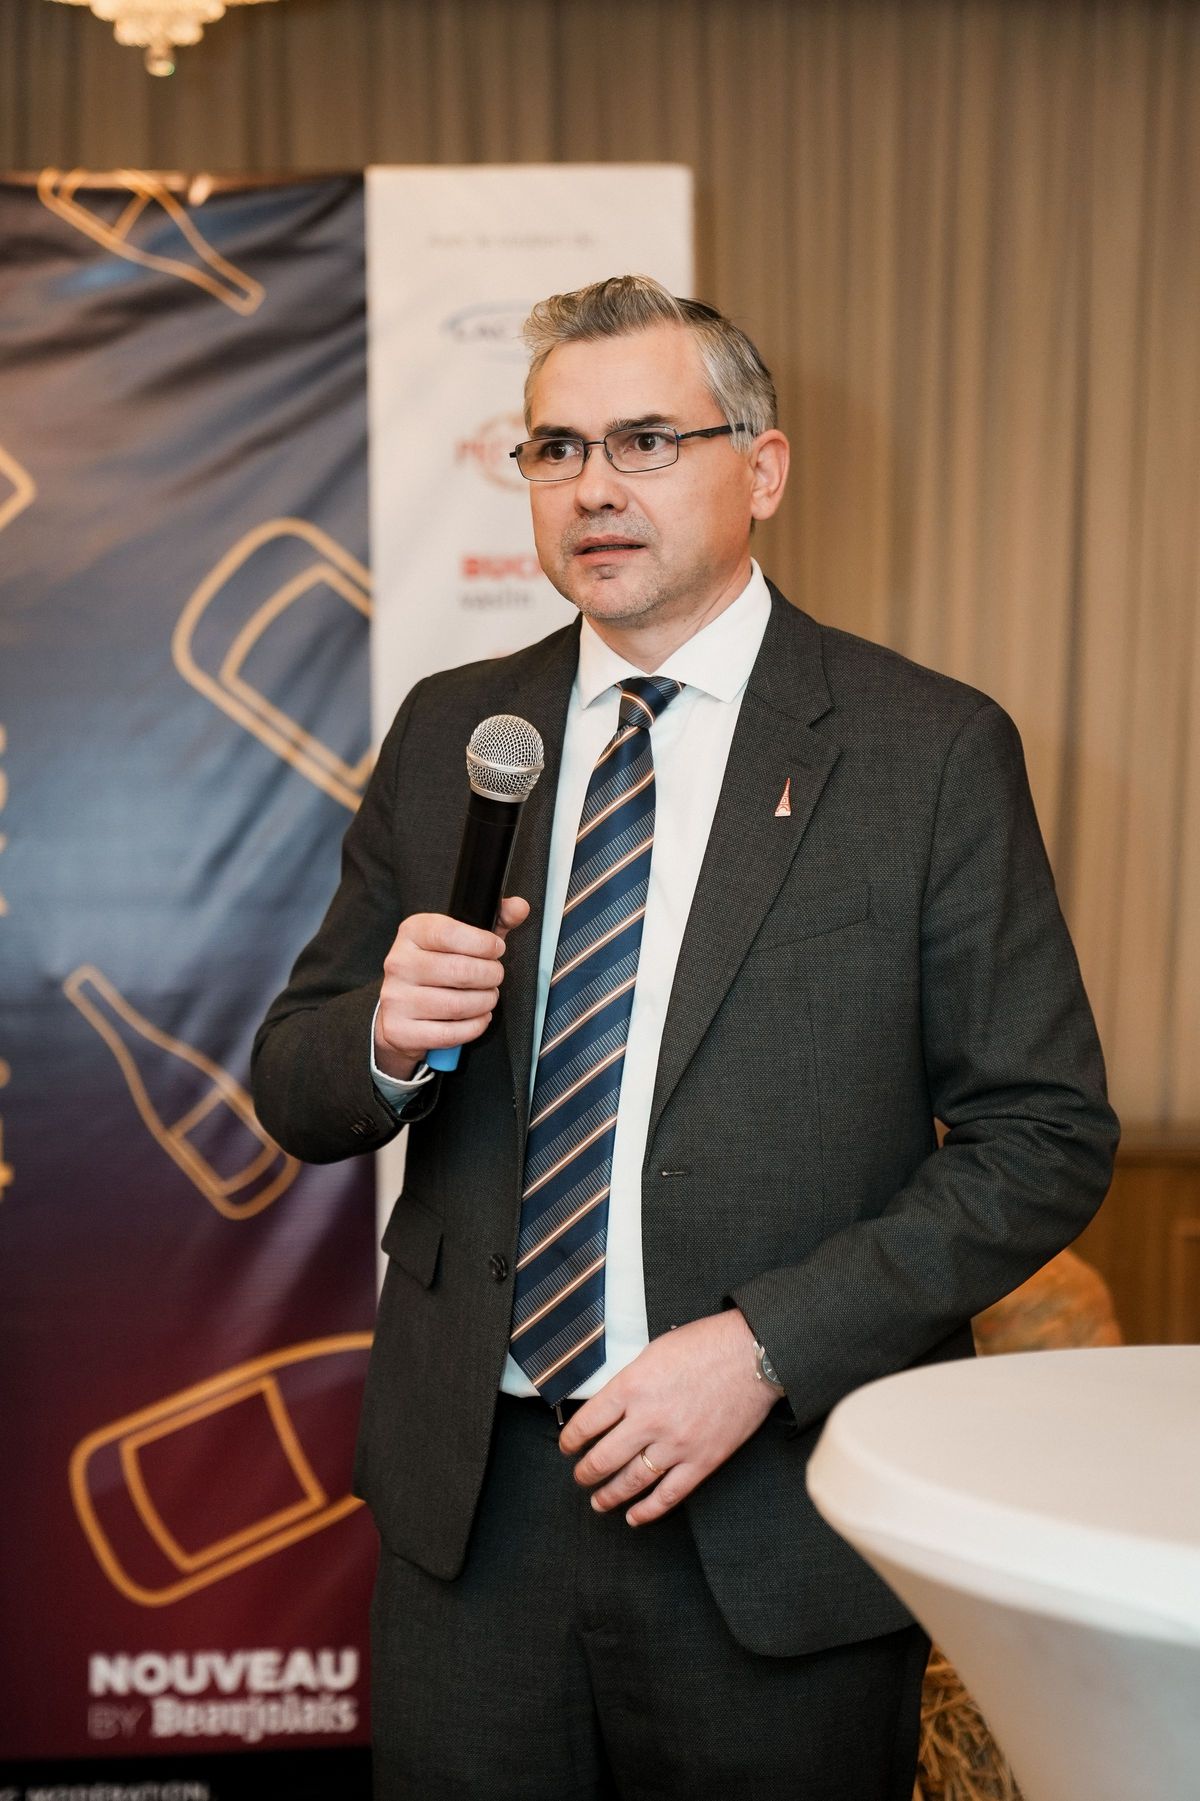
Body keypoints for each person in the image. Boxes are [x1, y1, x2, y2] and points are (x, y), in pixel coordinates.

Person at [252, 275, 1118, 1800]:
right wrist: (383, 1037)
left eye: (647, 440)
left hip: (770, 1508)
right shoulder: (456, 733)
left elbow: (1043, 1137)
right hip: (475, 1517)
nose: (595, 486)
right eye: (557, 448)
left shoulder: (924, 751)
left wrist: (766, 1345)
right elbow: (295, 1078)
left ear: (762, 469)